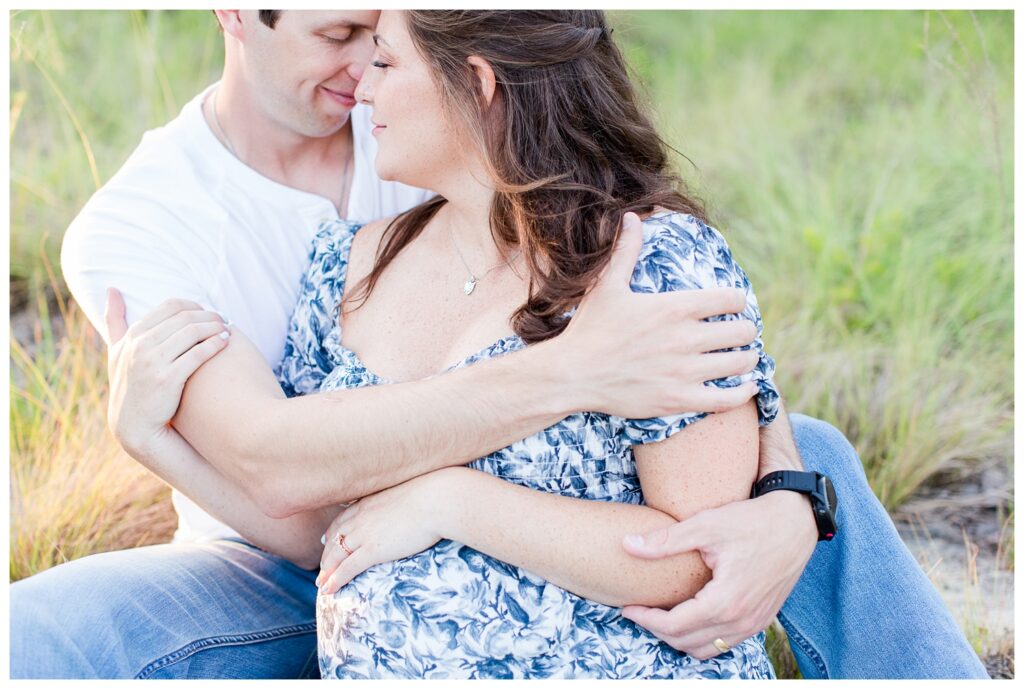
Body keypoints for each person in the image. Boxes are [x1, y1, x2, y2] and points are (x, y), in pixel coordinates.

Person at [9, 8, 986, 680]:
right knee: (36, 635)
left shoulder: (439, 142)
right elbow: (280, 466)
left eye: (381, 39)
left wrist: (785, 499)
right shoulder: (152, 223)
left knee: (820, 453)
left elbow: (715, 346)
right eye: (342, 34)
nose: (360, 76)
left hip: (553, 574)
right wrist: (156, 444)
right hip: (264, 560)